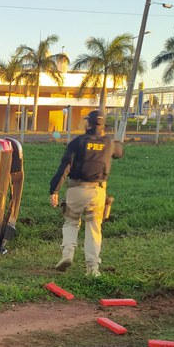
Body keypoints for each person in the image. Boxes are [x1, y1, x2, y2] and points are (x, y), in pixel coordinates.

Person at [49, 110, 123, 277]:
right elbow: (119, 153)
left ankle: (67, 254)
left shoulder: (77, 142)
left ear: (88, 124)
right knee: (94, 229)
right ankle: (92, 269)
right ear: (102, 126)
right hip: (97, 192)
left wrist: (54, 190)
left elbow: (65, 167)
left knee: (71, 223)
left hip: (75, 190)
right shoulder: (109, 143)